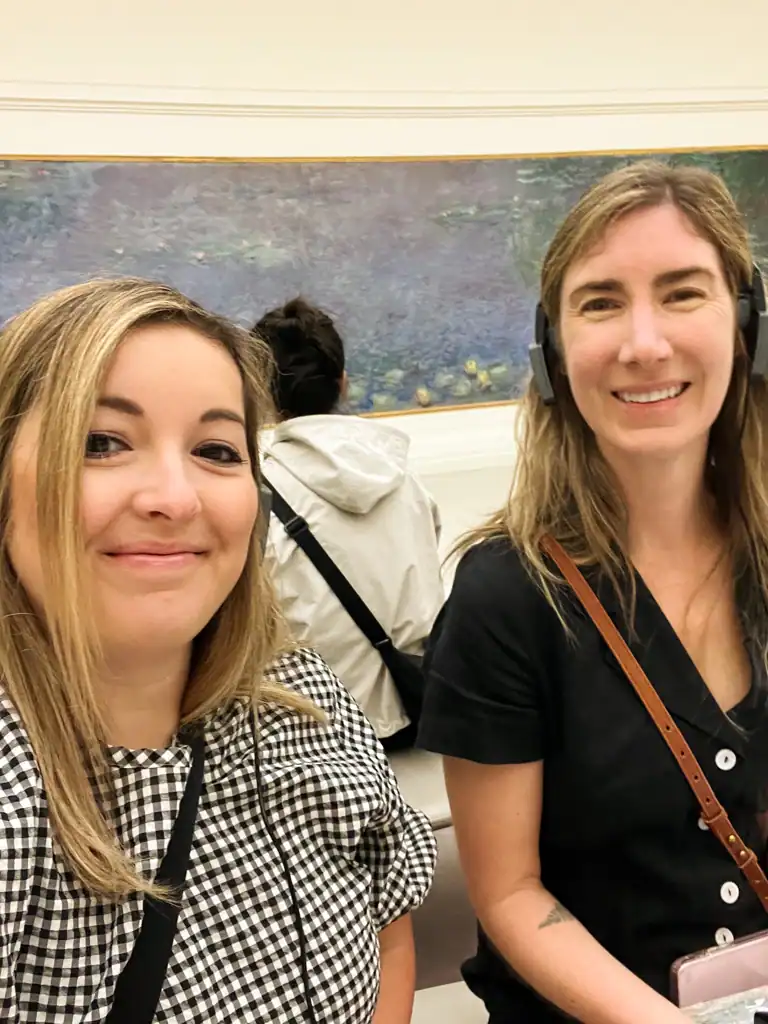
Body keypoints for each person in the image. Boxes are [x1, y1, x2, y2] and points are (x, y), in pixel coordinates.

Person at [0, 278, 436, 1023]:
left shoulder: (307, 700)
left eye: (215, 449)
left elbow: (386, 926)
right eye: (100, 443)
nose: (176, 496)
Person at [418, 160, 768, 1023]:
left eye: (683, 293)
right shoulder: (506, 597)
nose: (643, 343)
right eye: (602, 301)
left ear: (747, 326)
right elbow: (510, 897)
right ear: (550, 350)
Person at [254, 297, 444, 749]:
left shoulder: (256, 495)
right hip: (418, 713)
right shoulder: (405, 480)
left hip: (320, 734)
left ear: (259, 394)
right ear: (343, 383)